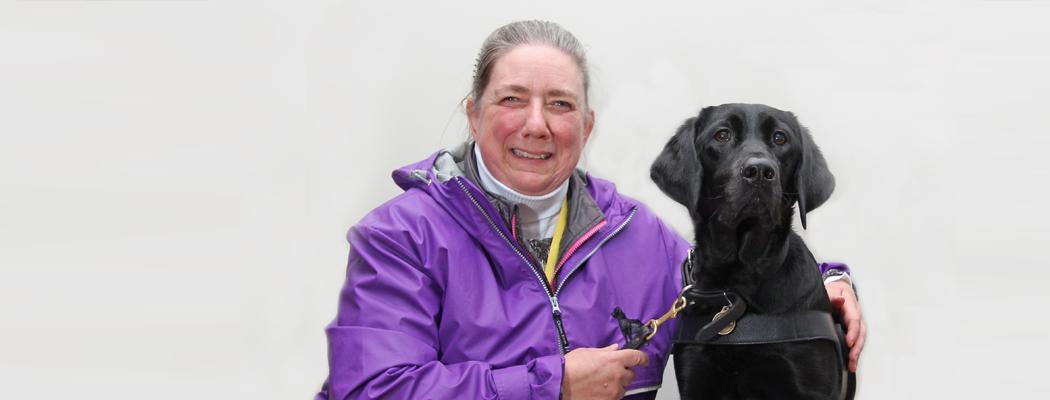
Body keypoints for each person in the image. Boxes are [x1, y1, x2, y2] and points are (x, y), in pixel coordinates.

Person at [316, 20, 865, 400]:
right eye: (512, 99)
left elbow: (728, 278)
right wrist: (550, 386)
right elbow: (368, 389)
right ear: (474, 113)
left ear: (587, 126)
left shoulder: (639, 238)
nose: (537, 124)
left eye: (560, 104)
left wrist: (828, 283)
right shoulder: (397, 238)